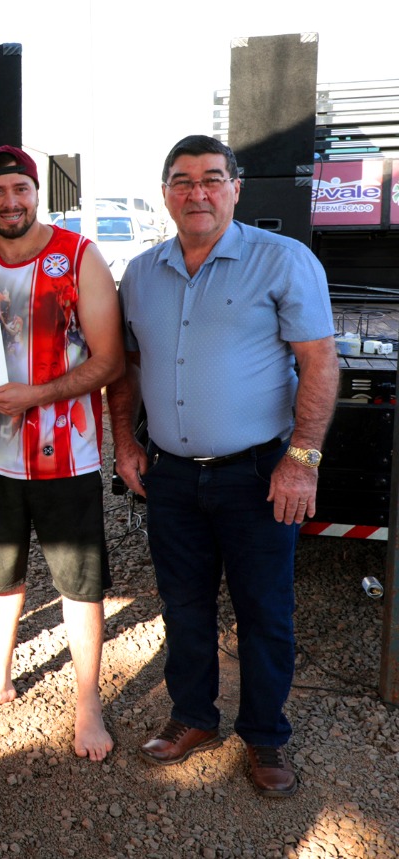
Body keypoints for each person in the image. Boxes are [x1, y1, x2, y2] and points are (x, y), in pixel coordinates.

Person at [108, 135, 337, 797]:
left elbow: (320, 362)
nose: (197, 192)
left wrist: (302, 460)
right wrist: (124, 442)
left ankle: (265, 735)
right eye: (182, 181)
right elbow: (128, 368)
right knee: (183, 604)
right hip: (171, 474)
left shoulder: (282, 261)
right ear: (165, 193)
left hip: (258, 473)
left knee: (264, 610)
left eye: (212, 179)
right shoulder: (141, 273)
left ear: (236, 188)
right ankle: (193, 716)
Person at [0, 145, 122, 761]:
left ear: (36, 191)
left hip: (66, 455)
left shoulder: (78, 257)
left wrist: (35, 395)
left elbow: (110, 360)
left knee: (79, 584)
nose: (10, 201)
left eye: (20, 188)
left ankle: (87, 704)